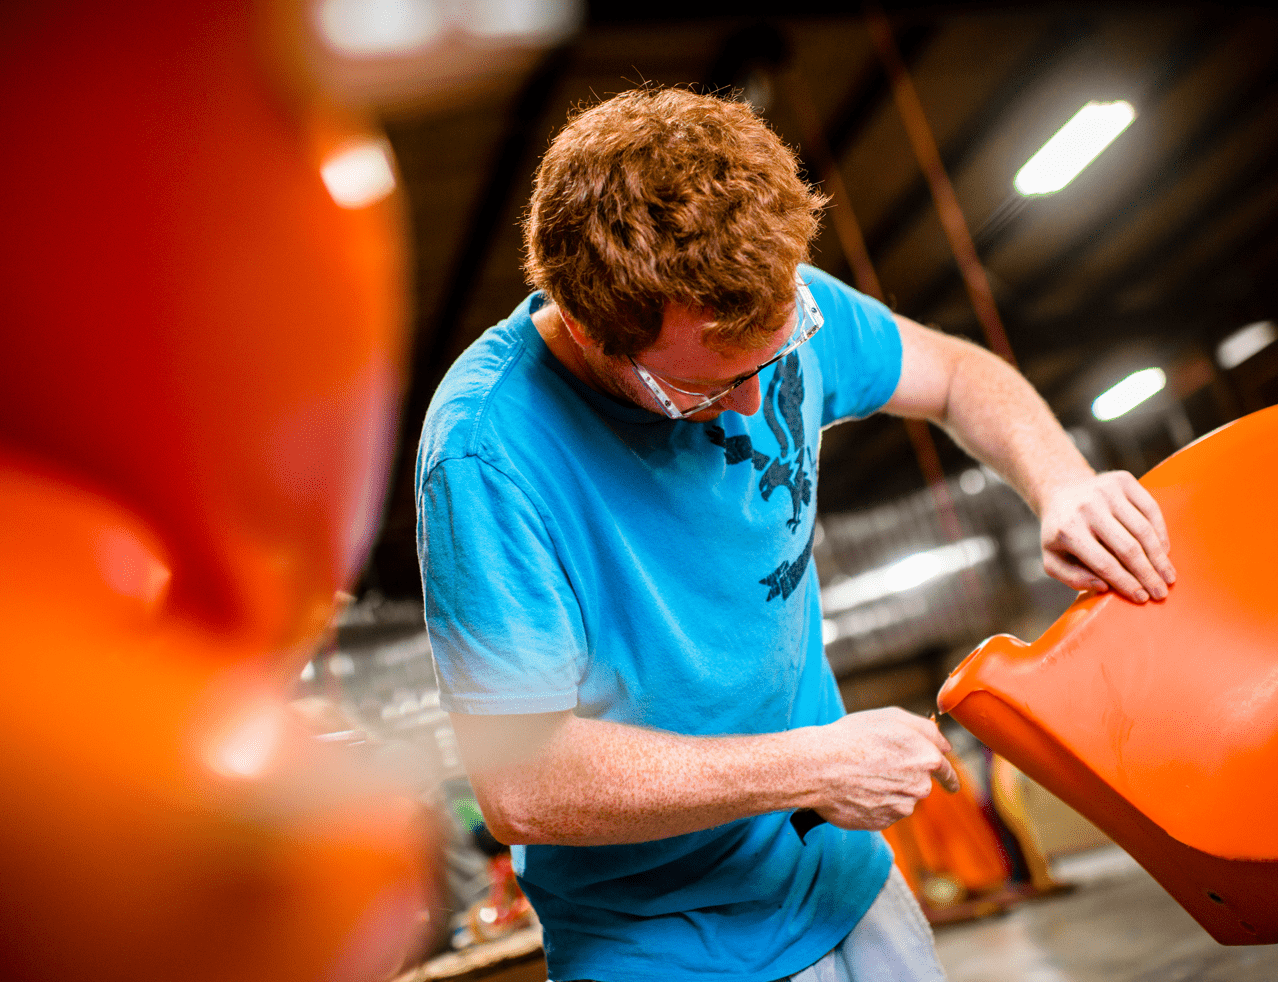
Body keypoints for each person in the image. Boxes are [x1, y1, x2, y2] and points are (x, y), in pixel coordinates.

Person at [415, 86, 1175, 982]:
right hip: (665, 944)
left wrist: (1063, 483)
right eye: (703, 389)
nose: (753, 402)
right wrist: (812, 766)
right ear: (588, 329)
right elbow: (522, 784)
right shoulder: (487, 456)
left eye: (772, 359)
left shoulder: (762, 301)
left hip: (843, 880)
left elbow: (956, 374)